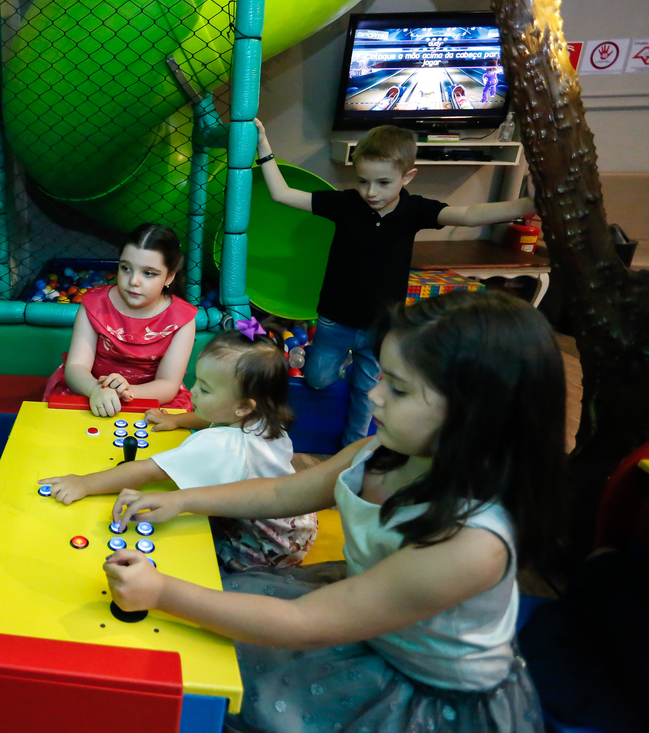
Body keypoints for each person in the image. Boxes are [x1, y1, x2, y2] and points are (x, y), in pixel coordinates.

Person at [103, 291, 562, 733]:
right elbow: (280, 494)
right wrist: (183, 500)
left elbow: (305, 624)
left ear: (475, 414)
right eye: (382, 377)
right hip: (356, 611)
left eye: (398, 389)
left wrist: (160, 591)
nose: (374, 395)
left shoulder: (471, 544)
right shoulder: (378, 452)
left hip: (417, 691)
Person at [253, 120, 536, 447]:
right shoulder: (345, 204)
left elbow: (470, 214)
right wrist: (263, 145)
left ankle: (353, 450)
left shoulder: (414, 210)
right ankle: (345, 362)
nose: (371, 192)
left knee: (366, 391)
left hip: (382, 327)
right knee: (317, 379)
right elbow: (283, 194)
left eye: (383, 183)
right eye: (363, 181)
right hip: (335, 321)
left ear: (408, 177)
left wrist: (532, 204)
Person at [40, 331, 317, 571]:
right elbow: (218, 416)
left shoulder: (220, 445)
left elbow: (147, 470)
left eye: (205, 390)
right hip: (297, 520)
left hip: (267, 545)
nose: (192, 392)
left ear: (244, 406)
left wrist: (84, 483)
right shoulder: (263, 417)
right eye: (197, 381)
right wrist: (177, 420)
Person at [43, 223, 197, 417]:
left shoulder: (181, 318)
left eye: (149, 273)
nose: (134, 281)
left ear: (169, 277)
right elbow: (76, 367)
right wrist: (95, 389)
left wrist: (125, 391)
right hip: (91, 391)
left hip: (151, 399)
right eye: (126, 268)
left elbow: (168, 384)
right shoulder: (94, 303)